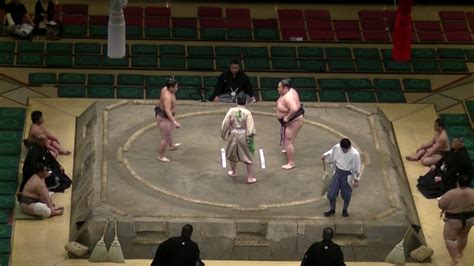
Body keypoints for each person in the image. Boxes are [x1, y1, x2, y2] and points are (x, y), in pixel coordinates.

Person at [221, 91, 257, 184]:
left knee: (232, 153)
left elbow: (225, 124)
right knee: (248, 154)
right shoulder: (247, 113)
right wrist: (250, 138)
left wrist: (224, 134)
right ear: (245, 102)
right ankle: (250, 177)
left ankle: (233, 172)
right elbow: (250, 127)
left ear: (236, 100)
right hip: (243, 134)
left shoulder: (231, 110)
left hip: (233, 133)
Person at [437, 174, 474, 266]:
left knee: (449, 238)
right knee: (463, 237)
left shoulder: (451, 193)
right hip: (469, 218)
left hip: (454, 219)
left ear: (457, 183)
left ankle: (455, 258)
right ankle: (460, 252)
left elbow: (441, 204)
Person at [321, 138, 361, 217]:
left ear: (350, 147)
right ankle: (332, 210)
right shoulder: (337, 147)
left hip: (347, 176)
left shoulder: (355, 154)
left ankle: (345, 210)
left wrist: (356, 180)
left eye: (345, 149)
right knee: (331, 194)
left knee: (346, 195)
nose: (344, 151)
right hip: (337, 173)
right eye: (342, 149)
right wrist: (325, 155)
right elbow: (331, 151)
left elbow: (357, 167)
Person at [276, 78, 304, 170]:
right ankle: (287, 149)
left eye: (279, 87)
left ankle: (291, 163)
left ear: (285, 88)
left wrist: (287, 117)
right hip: (292, 120)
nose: (278, 89)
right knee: (288, 139)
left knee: (288, 141)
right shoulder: (291, 90)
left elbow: (295, 109)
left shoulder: (288, 97)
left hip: (294, 121)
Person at [155, 78, 181, 163]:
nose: (177, 89)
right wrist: (174, 122)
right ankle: (161, 156)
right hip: (164, 117)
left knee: (170, 132)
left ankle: (172, 146)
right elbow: (167, 110)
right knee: (166, 138)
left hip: (164, 115)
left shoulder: (165, 89)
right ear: (171, 87)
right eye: (176, 87)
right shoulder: (167, 97)